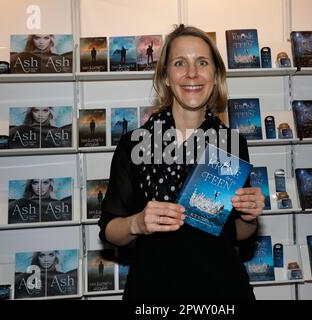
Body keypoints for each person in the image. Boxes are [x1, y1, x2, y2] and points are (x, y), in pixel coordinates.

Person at [98, 25, 265, 300]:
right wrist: (137, 224)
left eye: (202, 63)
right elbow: (109, 229)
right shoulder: (134, 144)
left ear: (215, 74)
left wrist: (249, 216)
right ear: (165, 76)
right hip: (153, 292)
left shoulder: (231, 143)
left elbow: (238, 233)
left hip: (223, 291)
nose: (191, 74)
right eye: (179, 63)